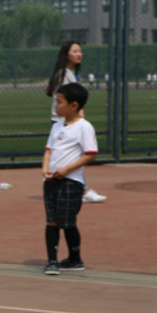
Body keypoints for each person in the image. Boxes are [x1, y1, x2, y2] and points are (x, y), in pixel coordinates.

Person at [42, 83, 98, 275]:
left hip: (70, 182)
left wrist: (66, 170)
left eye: (59, 102)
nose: (56, 105)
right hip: (51, 182)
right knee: (52, 221)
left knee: (67, 222)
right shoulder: (57, 127)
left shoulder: (84, 127)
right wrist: (45, 169)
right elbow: (48, 150)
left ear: (74, 105)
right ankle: (52, 260)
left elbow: (90, 154)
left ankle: (75, 259)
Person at [46, 41, 105, 204]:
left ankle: (79, 188)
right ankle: (82, 190)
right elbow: (61, 98)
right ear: (66, 54)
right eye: (75, 51)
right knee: (68, 155)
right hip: (62, 120)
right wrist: (75, 114)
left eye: (80, 51)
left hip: (68, 119)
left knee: (73, 155)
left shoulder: (70, 72)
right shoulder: (63, 73)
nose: (79, 54)